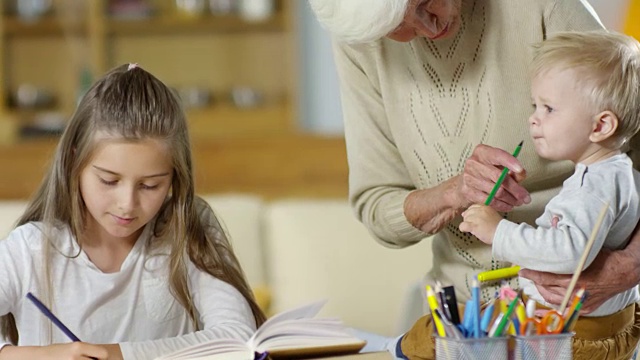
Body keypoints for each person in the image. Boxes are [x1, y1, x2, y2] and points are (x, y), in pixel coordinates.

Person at [308, 0, 640, 358]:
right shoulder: (361, 38)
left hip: (564, 318)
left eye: (424, 2)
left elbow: (622, 125)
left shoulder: (544, 6)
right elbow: (377, 205)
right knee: (414, 344)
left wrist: (630, 265)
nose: (430, 27)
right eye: (399, 28)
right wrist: (454, 193)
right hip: (468, 315)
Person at [0, 63, 266, 360]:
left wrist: (115, 354)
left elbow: (236, 337)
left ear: (175, 178)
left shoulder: (187, 230)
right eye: (109, 181)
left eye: (150, 185)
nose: (127, 203)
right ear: (75, 161)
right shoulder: (30, 250)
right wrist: (37, 355)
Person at [459, 30, 640, 358]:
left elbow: (569, 252)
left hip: (575, 334)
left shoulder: (592, 188)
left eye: (549, 109)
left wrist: (498, 230)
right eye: (535, 105)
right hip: (596, 323)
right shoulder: (619, 172)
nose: (534, 118)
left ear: (600, 127)